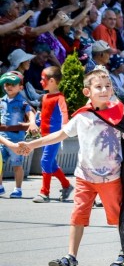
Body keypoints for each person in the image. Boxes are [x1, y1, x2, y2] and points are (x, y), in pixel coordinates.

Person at [21, 68, 124, 266]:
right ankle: (70, 257)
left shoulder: (118, 113)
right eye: (98, 87)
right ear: (87, 92)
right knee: (77, 215)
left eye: (108, 86)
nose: (105, 90)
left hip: (111, 177)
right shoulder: (82, 117)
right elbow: (60, 134)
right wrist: (32, 145)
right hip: (84, 176)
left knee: (118, 217)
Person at [32, 67, 74, 203]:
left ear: (51, 81)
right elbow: (42, 115)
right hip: (44, 136)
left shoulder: (59, 97)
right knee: (52, 163)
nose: (40, 81)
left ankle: (44, 193)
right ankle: (66, 185)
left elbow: (64, 113)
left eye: (42, 79)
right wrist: (35, 125)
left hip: (55, 136)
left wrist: (64, 127)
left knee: (45, 161)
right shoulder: (44, 97)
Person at [0, 72, 38, 197]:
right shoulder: (2, 100)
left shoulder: (22, 101)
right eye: (7, 84)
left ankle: (18, 188)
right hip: (2, 137)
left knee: (17, 164)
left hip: (16, 138)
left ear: (20, 87)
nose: (9, 87)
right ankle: (0, 186)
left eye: (13, 84)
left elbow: (30, 113)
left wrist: (32, 123)